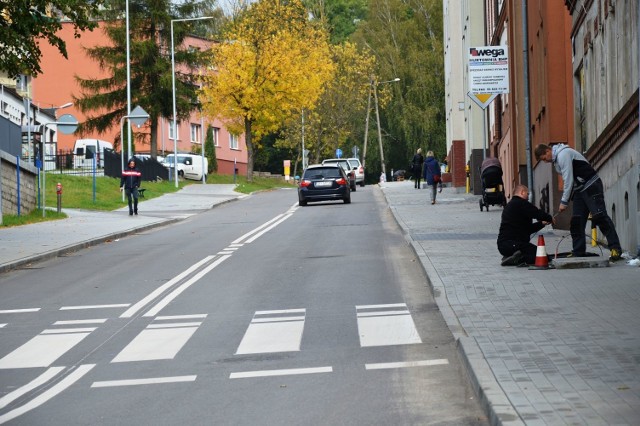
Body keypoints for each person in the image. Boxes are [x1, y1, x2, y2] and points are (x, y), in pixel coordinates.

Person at [534, 143, 622, 261]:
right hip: (580, 190)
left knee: (600, 216)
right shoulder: (557, 161)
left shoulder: (563, 155)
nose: (546, 161)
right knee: (577, 221)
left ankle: (615, 249)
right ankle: (578, 250)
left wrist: (564, 201)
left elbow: (568, 179)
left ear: (547, 151)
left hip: (591, 185)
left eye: (544, 159)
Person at [498, 184, 555, 266]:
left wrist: (542, 223)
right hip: (513, 244)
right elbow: (536, 212)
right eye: (527, 194)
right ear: (522, 192)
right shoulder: (520, 203)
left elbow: (528, 229)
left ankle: (511, 256)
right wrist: (549, 218)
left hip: (505, 246)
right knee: (541, 256)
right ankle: (517, 259)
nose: (528, 197)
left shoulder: (511, 205)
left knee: (536, 252)